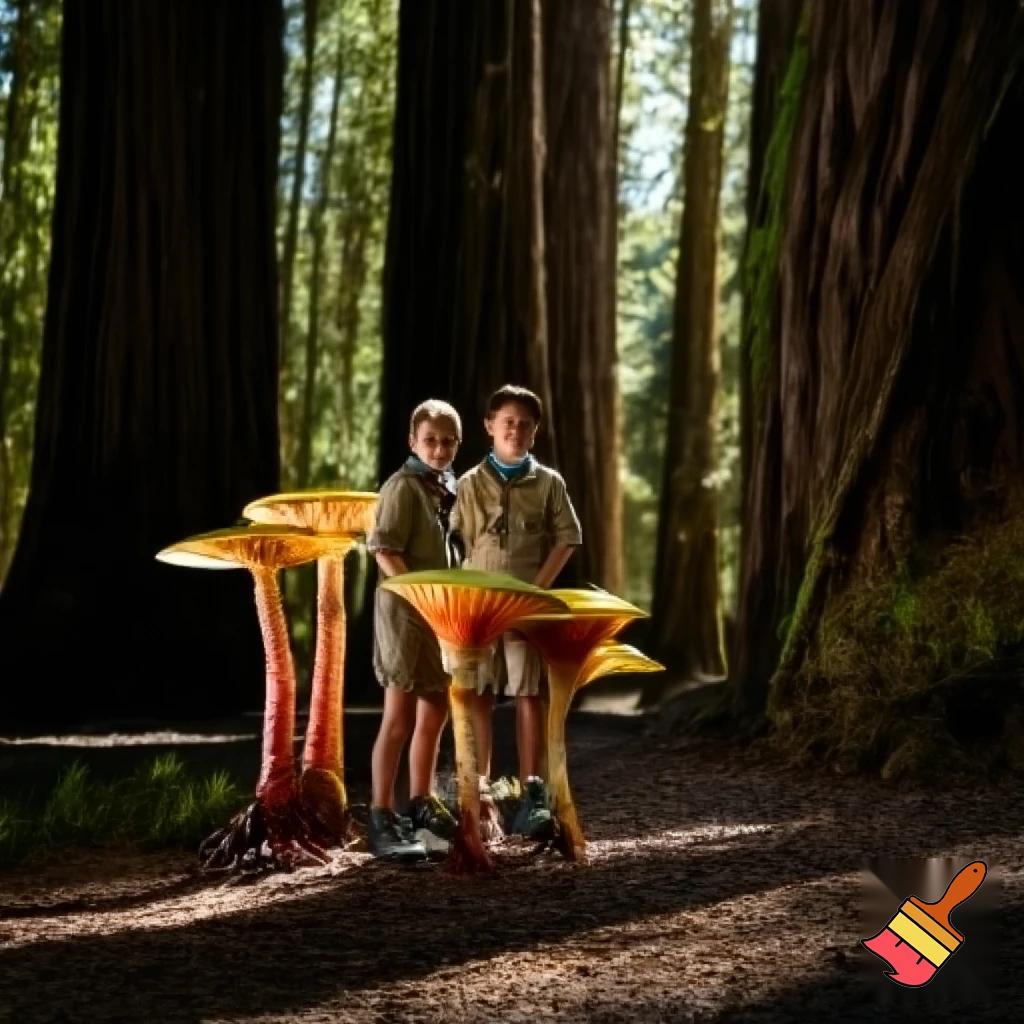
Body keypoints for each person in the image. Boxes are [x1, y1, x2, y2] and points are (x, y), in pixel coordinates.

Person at [451, 384, 582, 839]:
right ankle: (481, 794)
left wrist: (538, 589)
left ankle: (533, 794)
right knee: (479, 692)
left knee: (529, 693)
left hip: (527, 609)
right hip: (479, 608)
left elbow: (568, 536)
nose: (516, 430)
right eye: (508, 422)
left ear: (535, 432)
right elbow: (455, 542)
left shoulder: (548, 483)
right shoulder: (468, 484)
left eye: (525, 424)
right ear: (489, 426)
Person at [366, 399, 463, 860]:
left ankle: (421, 805)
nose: (439, 449)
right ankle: (381, 816)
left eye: (447, 442)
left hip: (437, 616)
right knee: (399, 716)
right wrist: (418, 594)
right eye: (430, 441)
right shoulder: (402, 487)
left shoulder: (444, 488)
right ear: (412, 442)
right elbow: (384, 549)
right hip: (405, 613)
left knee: (436, 708)